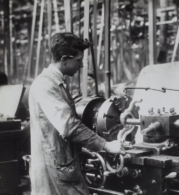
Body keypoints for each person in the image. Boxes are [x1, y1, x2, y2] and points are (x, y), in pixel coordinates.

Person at [29, 32, 125, 195]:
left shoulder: (55, 82)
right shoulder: (46, 85)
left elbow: (56, 132)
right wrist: (106, 145)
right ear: (65, 59)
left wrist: (80, 148)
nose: (80, 65)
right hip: (57, 170)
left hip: (60, 163)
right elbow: (68, 126)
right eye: (78, 60)